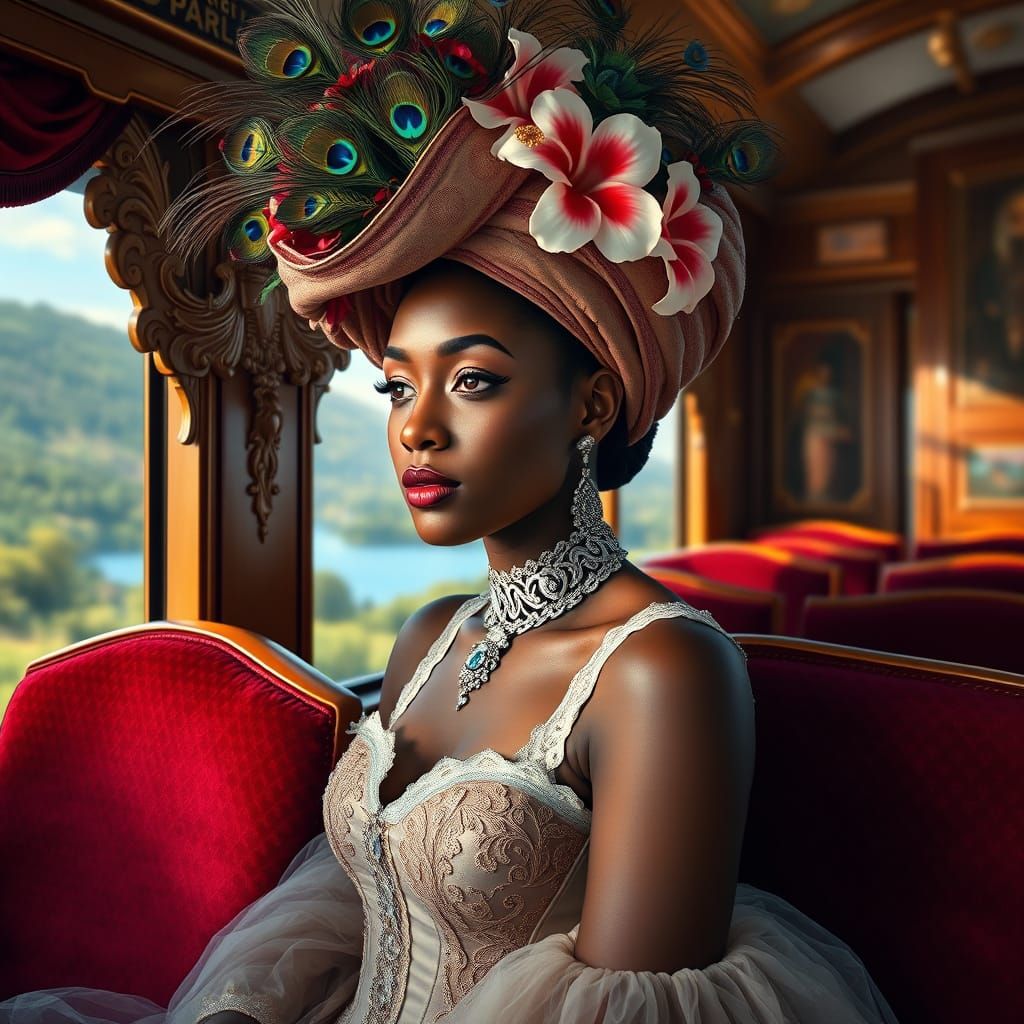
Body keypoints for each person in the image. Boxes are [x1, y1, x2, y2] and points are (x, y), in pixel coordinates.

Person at [0, 1, 899, 1021]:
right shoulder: (430, 634)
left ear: (591, 406)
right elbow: (347, 914)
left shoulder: (665, 673)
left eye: (472, 382)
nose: (416, 429)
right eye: (396, 386)